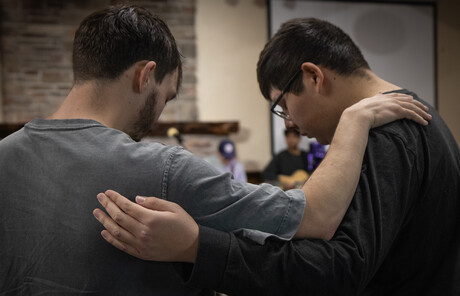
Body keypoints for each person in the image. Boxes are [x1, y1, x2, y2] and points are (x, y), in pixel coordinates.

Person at [0, 6, 428, 295]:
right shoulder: (162, 168)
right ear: (144, 75)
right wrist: (356, 119)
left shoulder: (5, 156)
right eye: (165, 98)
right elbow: (316, 216)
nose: (155, 118)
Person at [94, 18, 460, 295]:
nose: (293, 123)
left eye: (284, 106)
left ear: (314, 77)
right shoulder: (409, 117)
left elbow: (338, 270)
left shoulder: (390, 134)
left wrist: (197, 247)